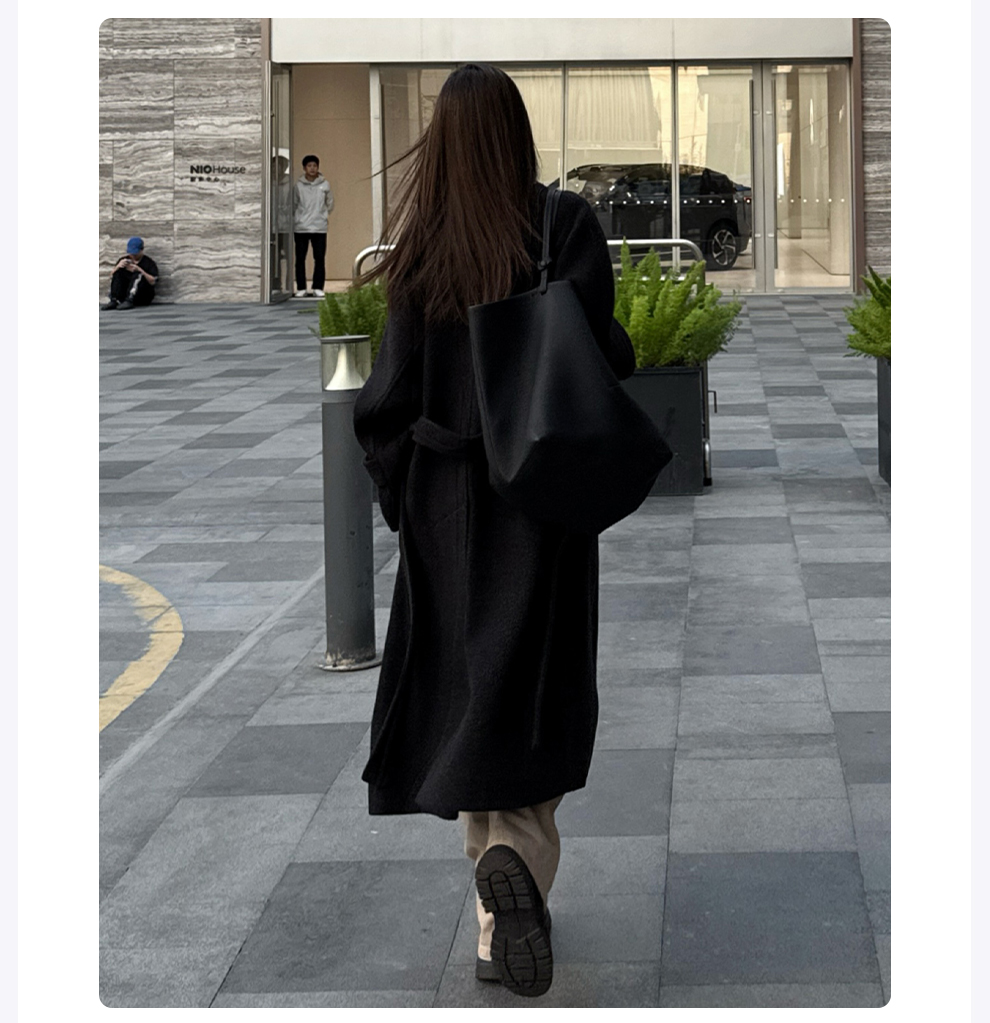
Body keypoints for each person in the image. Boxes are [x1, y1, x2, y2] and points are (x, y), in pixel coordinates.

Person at [352, 64, 636, 998]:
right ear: (517, 133)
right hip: (541, 497)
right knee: (534, 691)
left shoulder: (422, 245)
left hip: (444, 496)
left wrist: (406, 501)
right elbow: (605, 355)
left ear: (439, 143)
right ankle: (510, 866)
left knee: (470, 690)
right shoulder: (563, 225)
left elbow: (384, 400)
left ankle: (494, 909)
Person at [293, 154, 334, 297]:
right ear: (304, 168)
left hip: (319, 227)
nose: (312, 168)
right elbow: (294, 204)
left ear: (318, 167)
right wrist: (299, 218)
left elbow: (330, 203)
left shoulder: (325, 184)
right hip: (301, 227)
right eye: (309, 166)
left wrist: (322, 215)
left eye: (314, 166)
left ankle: (318, 287)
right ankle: (301, 288)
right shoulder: (298, 185)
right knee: (300, 259)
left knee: (320, 258)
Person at [101, 237, 158, 310]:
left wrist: (140, 270)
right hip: (124, 295)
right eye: (131, 253)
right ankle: (114, 300)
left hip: (142, 295)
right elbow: (111, 277)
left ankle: (130, 299)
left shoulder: (149, 263)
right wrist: (117, 267)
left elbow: (153, 281)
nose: (133, 255)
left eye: (136, 253)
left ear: (141, 250)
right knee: (118, 273)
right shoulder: (124, 260)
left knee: (138, 275)